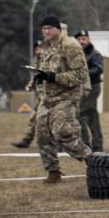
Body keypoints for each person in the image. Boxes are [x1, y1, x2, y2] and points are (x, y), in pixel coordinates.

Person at [33, 15, 91, 184]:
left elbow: (80, 75)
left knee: (63, 132)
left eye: (50, 28)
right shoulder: (45, 47)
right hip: (48, 97)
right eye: (44, 28)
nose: (46, 31)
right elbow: (45, 70)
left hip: (66, 97)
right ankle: (53, 172)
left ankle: (91, 159)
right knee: (42, 135)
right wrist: (39, 79)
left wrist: (55, 77)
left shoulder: (70, 46)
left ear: (58, 29)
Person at [75, 29, 104, 152]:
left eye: (84, 39)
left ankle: (86, 143)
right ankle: (96, 143)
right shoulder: (75, 53)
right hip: (81, 88)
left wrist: (84, 74)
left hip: (92, 86)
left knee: (81, 112)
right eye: (79, 39)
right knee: (91, 115)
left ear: (88, 39)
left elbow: (98, 69)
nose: (82, 41)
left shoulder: (94, 53)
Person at [12, 40, 42, 148]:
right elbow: (37, 76)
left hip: (50, 95)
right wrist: (31, 84)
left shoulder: (50, 60)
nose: (38, 51)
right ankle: (27, 140)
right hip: (41, 95)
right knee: (34, 117)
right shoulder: (36, 60)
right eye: (36, 48)